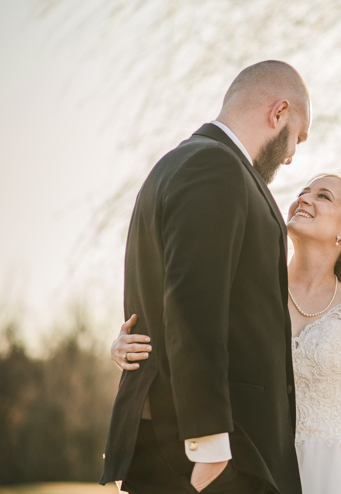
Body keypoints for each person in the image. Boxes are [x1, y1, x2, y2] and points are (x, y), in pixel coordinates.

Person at [113, 173, 341, 493]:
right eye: (304, 191)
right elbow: (188, 336)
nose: (304, 198)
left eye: (322, 195)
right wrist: (123, 343)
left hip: (335, 473)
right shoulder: (251, 289)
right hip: (257, 462)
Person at [101, 60, 311, 494]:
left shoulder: (175, 166)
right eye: (298, 137)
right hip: (214, 453)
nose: (292, 156)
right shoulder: (215, 168)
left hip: (194, 445)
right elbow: (192, 306)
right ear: (279, 113)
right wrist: (209, 443)